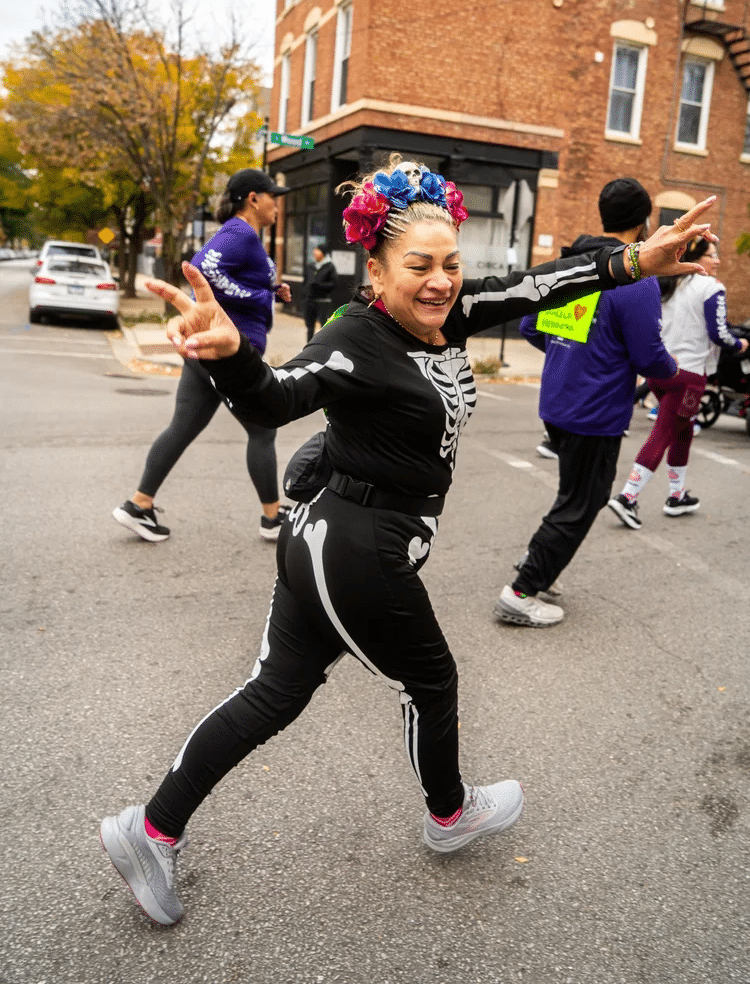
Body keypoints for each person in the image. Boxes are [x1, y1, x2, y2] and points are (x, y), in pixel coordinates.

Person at [99, 156, 715, 926]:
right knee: (432, 679)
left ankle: (150, 828)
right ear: (378, 269)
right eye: (419, 265)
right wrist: (232, 357)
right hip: (356, 550)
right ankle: (449, 813)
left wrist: (634, 261)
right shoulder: (355, 336)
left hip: (330, 541)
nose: (440, 280)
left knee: (275, 693)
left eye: (451, 263)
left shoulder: (445, 314)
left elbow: (536, 284)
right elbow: (277, 396)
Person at [495, 178, 678, 628]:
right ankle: (522, 590)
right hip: (594, 411)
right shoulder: (635, 278)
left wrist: (570, 357)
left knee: (571, 494)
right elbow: (648, 355)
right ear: (644, 221)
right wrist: (674, 373)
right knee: (585, 500)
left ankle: (542, 559)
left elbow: (531, 328)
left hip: (557, 402)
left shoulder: (570, 263)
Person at [112, 169, 294, 544]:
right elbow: (205, 269)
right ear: (253, 199)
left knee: (183, 427)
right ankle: (272, 518)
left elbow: (231, 279)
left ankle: (139, 505)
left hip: (208, 348)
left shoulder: (242, 235)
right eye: (271, 195)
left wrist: (271, 292)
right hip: (229, 351)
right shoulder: (240, 231)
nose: (277, 203)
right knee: (262, 429)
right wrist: (258, 297)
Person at [608, 235, 748, 528]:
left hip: (661, 369)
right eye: (712, 254)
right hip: (689, 376)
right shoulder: (711, 287)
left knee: (682, 433)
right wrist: (739, 345)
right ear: (697, 257)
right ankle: (627, 497)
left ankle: (677, 495)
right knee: (664, 432)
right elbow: (718, 334)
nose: (718, 260)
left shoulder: (668, 283)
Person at [303, 244, 338, 341]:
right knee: (310, 326)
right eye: (315, 250)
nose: (315, 252)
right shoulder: (310, 266)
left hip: (323, 300)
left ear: (323, 253)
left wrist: (319, 285)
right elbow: (305, 282)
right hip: (310, 300)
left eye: (318, 250)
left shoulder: (330, 266)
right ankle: (309, 347)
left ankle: (323, 346)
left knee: (324, 326)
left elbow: (334, 284)